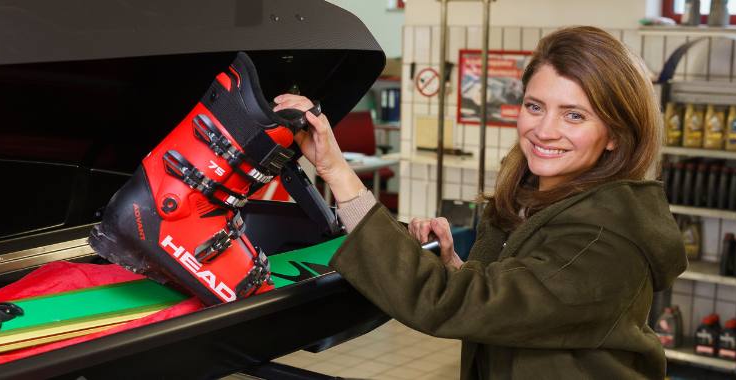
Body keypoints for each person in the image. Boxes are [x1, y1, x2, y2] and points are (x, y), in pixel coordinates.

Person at [274, 26, 686, 379]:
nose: (544, 130)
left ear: (614, 134)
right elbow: (510, 304)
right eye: (535, 106)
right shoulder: (532, 198)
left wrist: (337, 172)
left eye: (574, 115)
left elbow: (451, 305)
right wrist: (455, 267)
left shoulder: (603, 239)